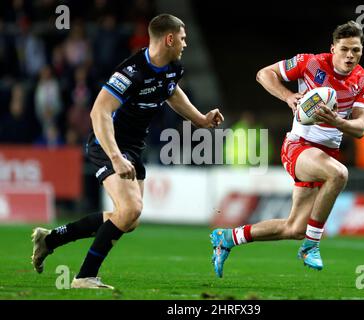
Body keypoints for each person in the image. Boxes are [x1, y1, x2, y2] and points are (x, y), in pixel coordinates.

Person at [31, 13, 224, 289]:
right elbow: (99, 111)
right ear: (169, 38)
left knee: (127, 219)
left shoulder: (172, 67)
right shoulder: (131, 72)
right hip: (107, 145)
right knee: (130, 209)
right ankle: (84, 277)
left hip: (133, 148)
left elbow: (171, 91)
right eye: (182, 38)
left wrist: (200, 119)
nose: (185, 43)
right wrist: (115, 157)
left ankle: (50, 239)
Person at [210, 21, 364, 277]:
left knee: (294, 228)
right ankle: (312, 245)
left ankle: (228, 238)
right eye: (344, 49)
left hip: (324, 155)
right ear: (333, 48)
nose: (350, 55)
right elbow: (264, 74)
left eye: (356, 50)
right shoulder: (310, 63)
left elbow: (361, 128)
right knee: (339, 175)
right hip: (299, 146)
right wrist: (288, 96)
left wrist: (337, 121)